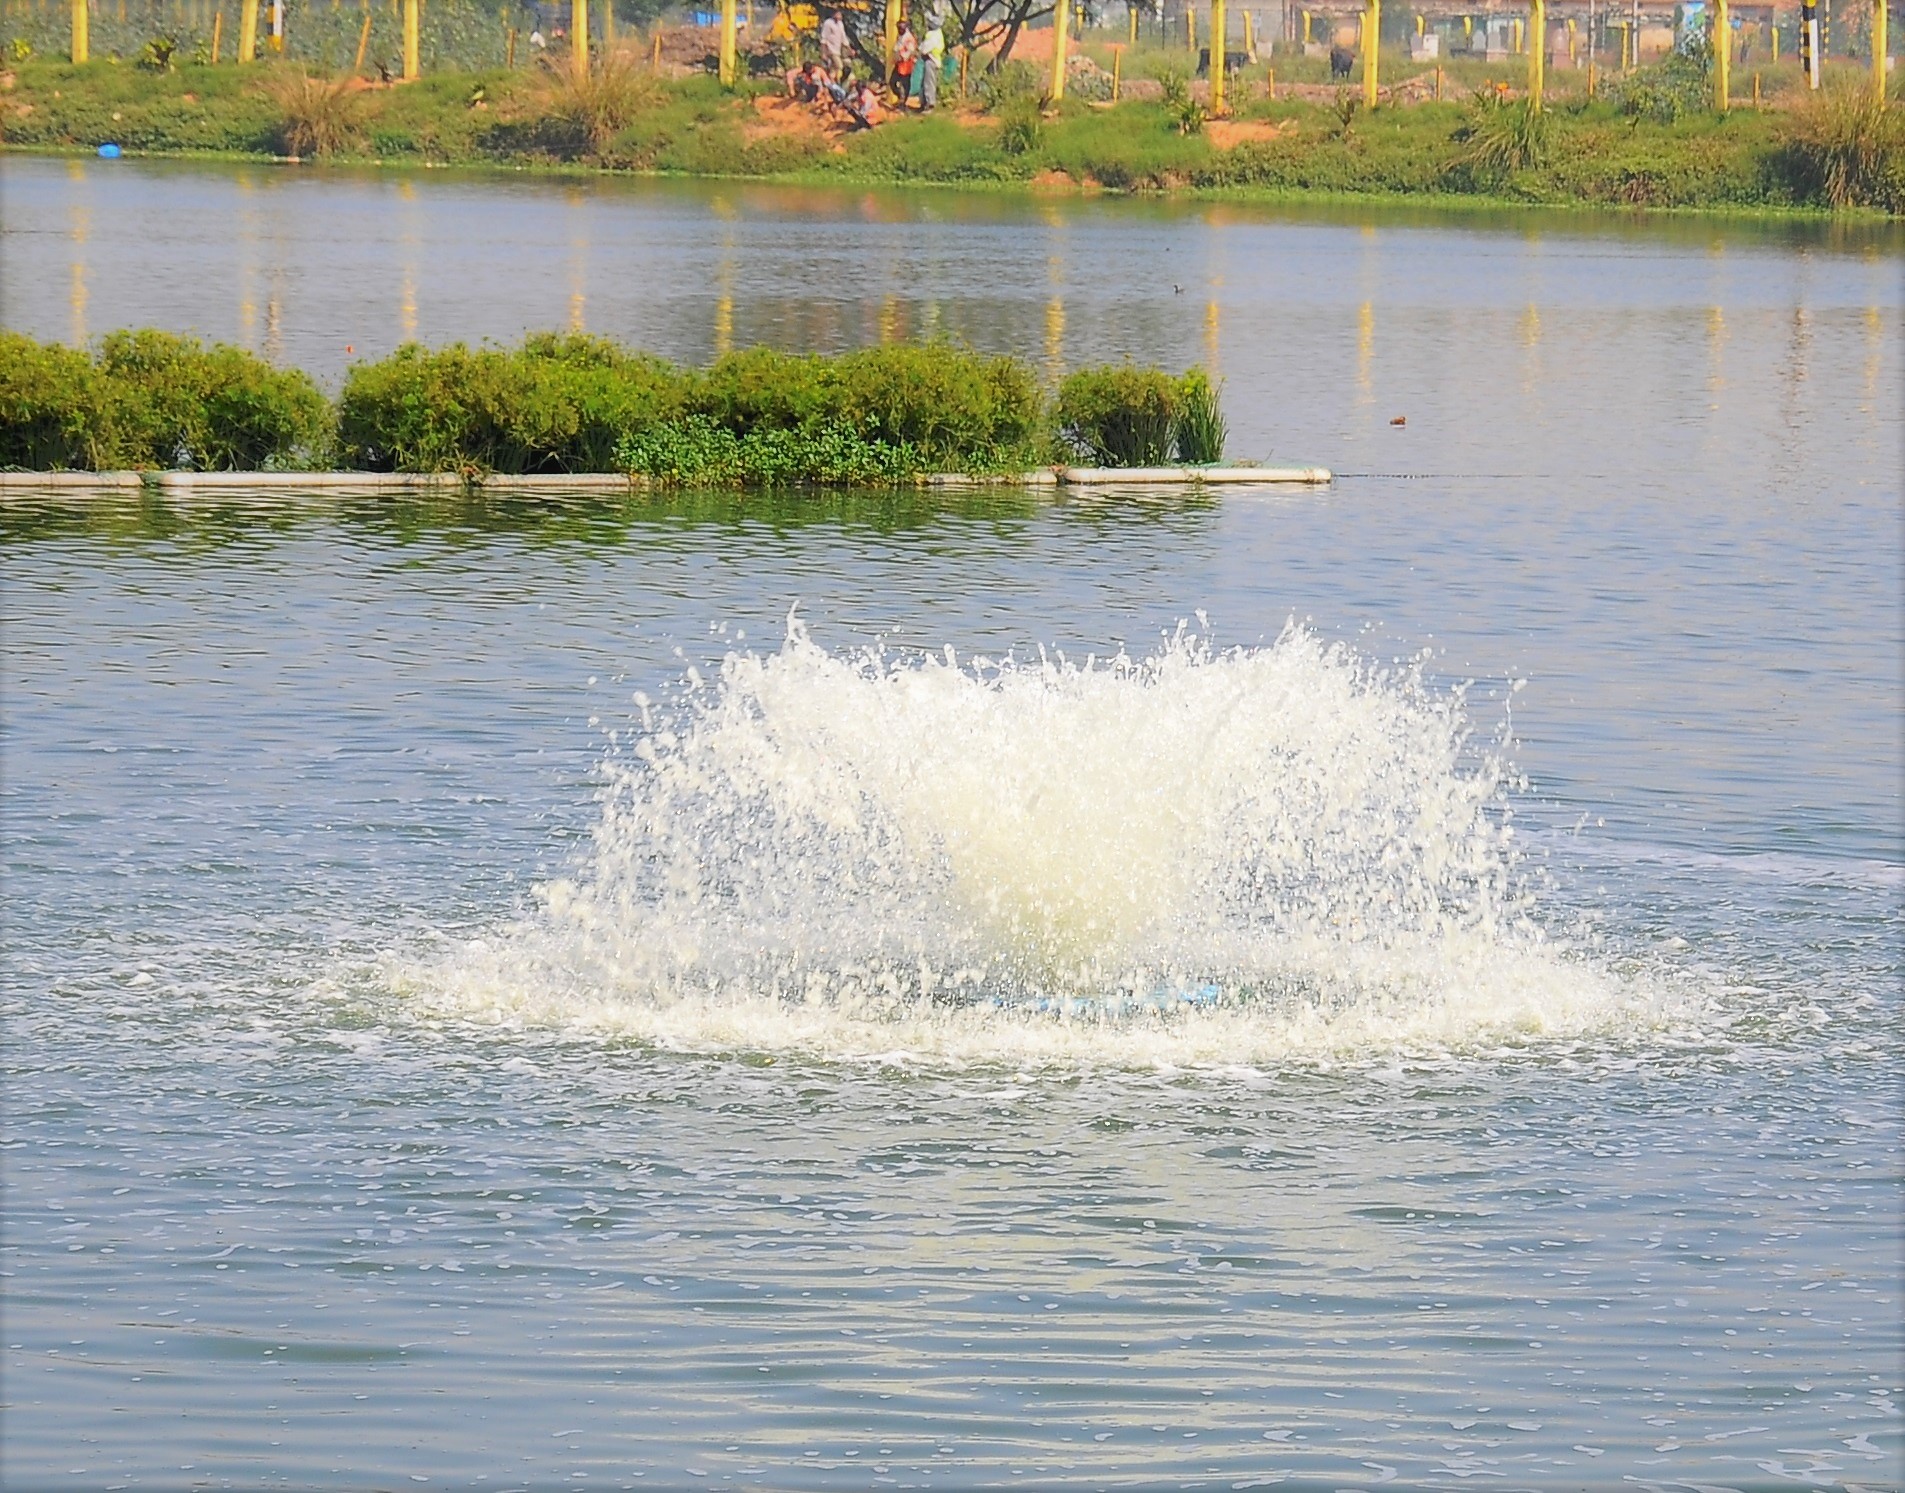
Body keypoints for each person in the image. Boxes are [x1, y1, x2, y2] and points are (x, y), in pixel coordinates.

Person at [918, 17, 944, 110]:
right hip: (930, 60)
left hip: (932, 60)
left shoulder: (934, 35)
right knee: (925, 83)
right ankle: (924, 103)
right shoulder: (935, 33)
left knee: (929, 83)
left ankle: (930, 104)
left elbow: (924, 49)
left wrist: (920, 48)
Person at [892, 20, 917, 104]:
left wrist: (902, 57)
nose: (900, 30)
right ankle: (900, 98)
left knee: (905, 84)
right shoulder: (900, 36)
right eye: (898, 28)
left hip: (906, 65)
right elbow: (896, 47)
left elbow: (911, 52)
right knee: (892, 82)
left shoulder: (908, 38)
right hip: (899, 64)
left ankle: (903, 102)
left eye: (901, 28)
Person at [818, 7, 847, 73]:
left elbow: (843, 38)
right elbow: (823, 39)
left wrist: (849, 49)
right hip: (831, 50)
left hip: (839, 50)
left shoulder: (840, 24)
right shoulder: (828, 23)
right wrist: (823, 53)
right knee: (840, 67)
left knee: (834, 70)